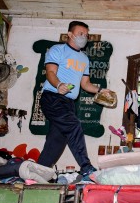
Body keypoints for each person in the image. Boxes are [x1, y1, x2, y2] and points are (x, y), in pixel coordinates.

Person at [37, 21, 109, 179]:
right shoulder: (58, 50)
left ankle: (38, 173)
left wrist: (101, 90)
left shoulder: (84, 59)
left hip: (69, 103)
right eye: (80, 33)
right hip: (53, 97)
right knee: (73, 125)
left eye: (86, 34)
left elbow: (85, 84)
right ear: (69, 34)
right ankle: (86, 166)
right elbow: (50, 72)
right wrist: (59, 85)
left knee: (57, 139)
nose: (84, 37)